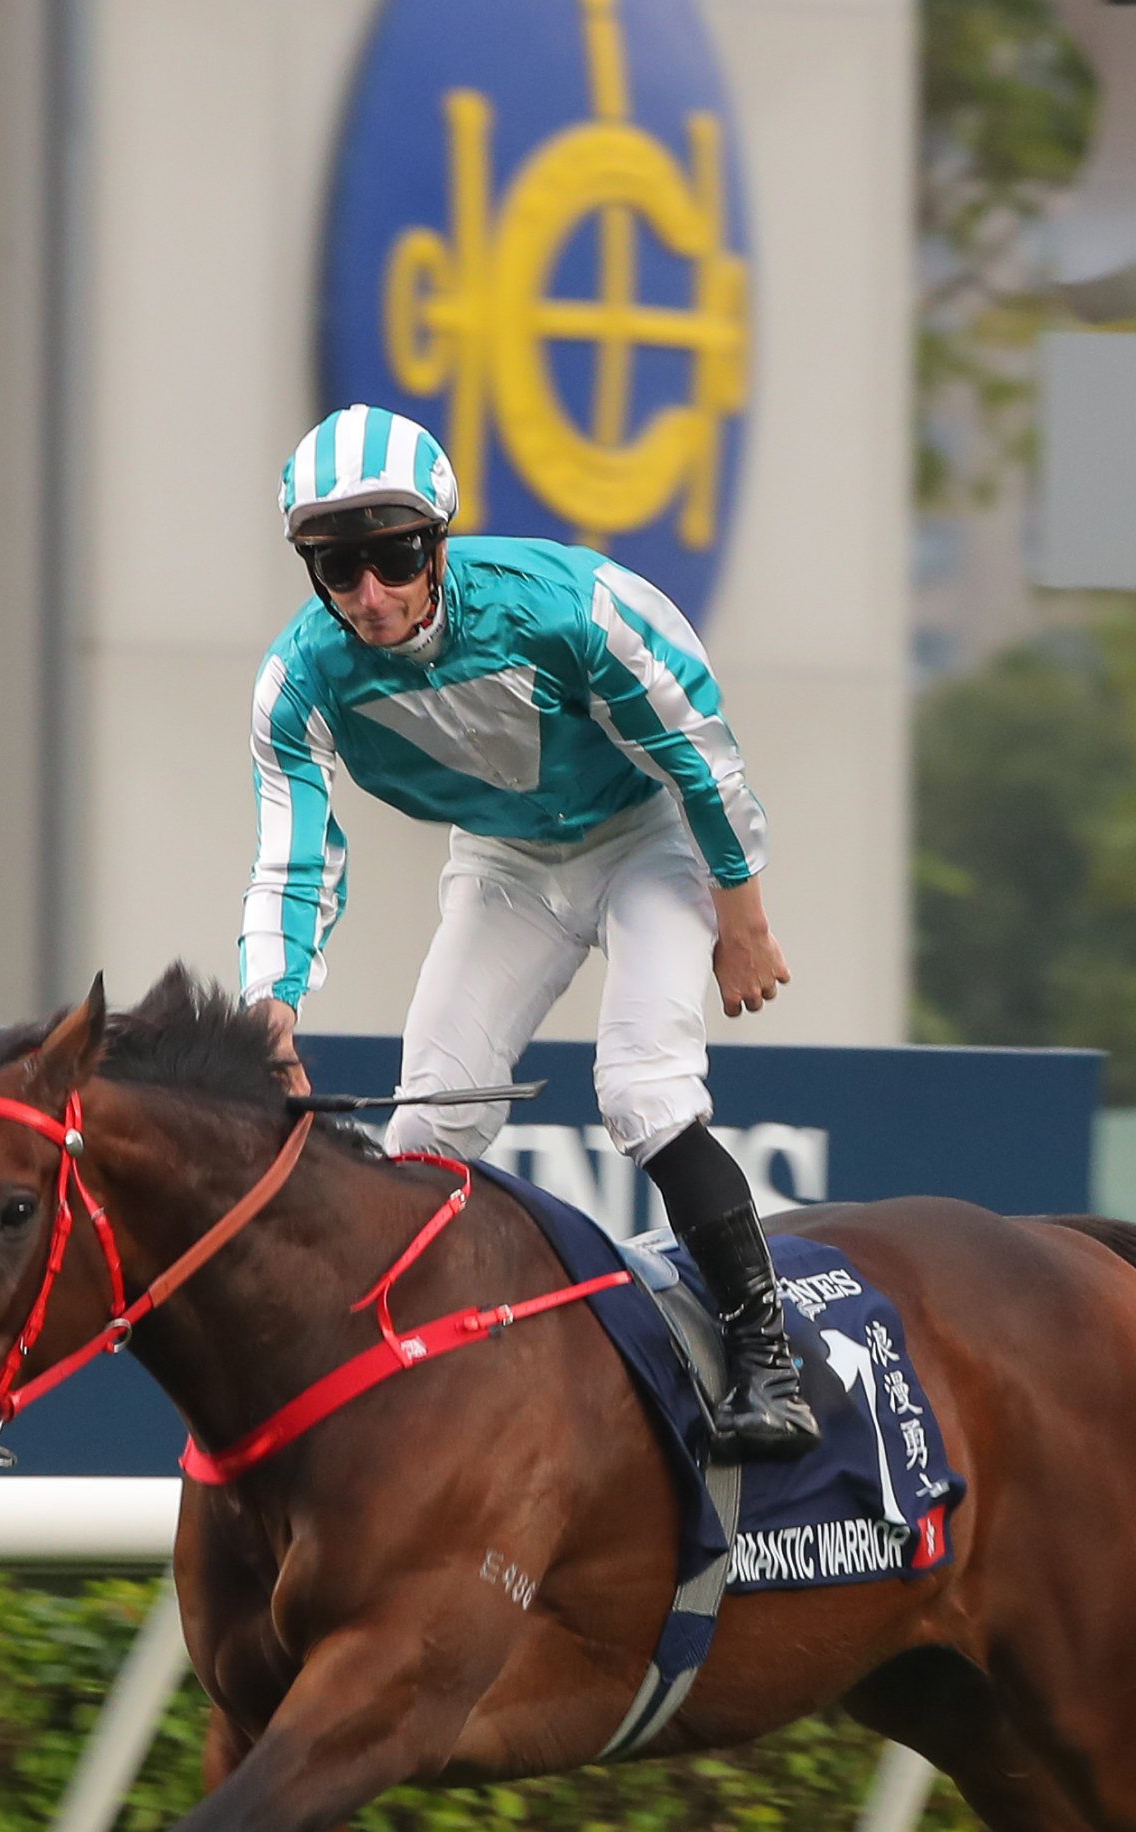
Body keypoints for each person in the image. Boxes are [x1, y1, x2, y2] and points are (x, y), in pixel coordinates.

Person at [238, 405, 818, 1458]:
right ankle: (415, 1381)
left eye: (394, 558)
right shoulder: (299, 680)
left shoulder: (565, 604)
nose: (370, 595)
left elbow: (698, 746)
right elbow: (294, 853)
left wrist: (743, 912)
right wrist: (270, 1007)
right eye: (336, 568)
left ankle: (767, 1364)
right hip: (506, 861)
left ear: (439, 543)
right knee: (429, 1123)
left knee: (642, 1089)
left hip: (647, 836)